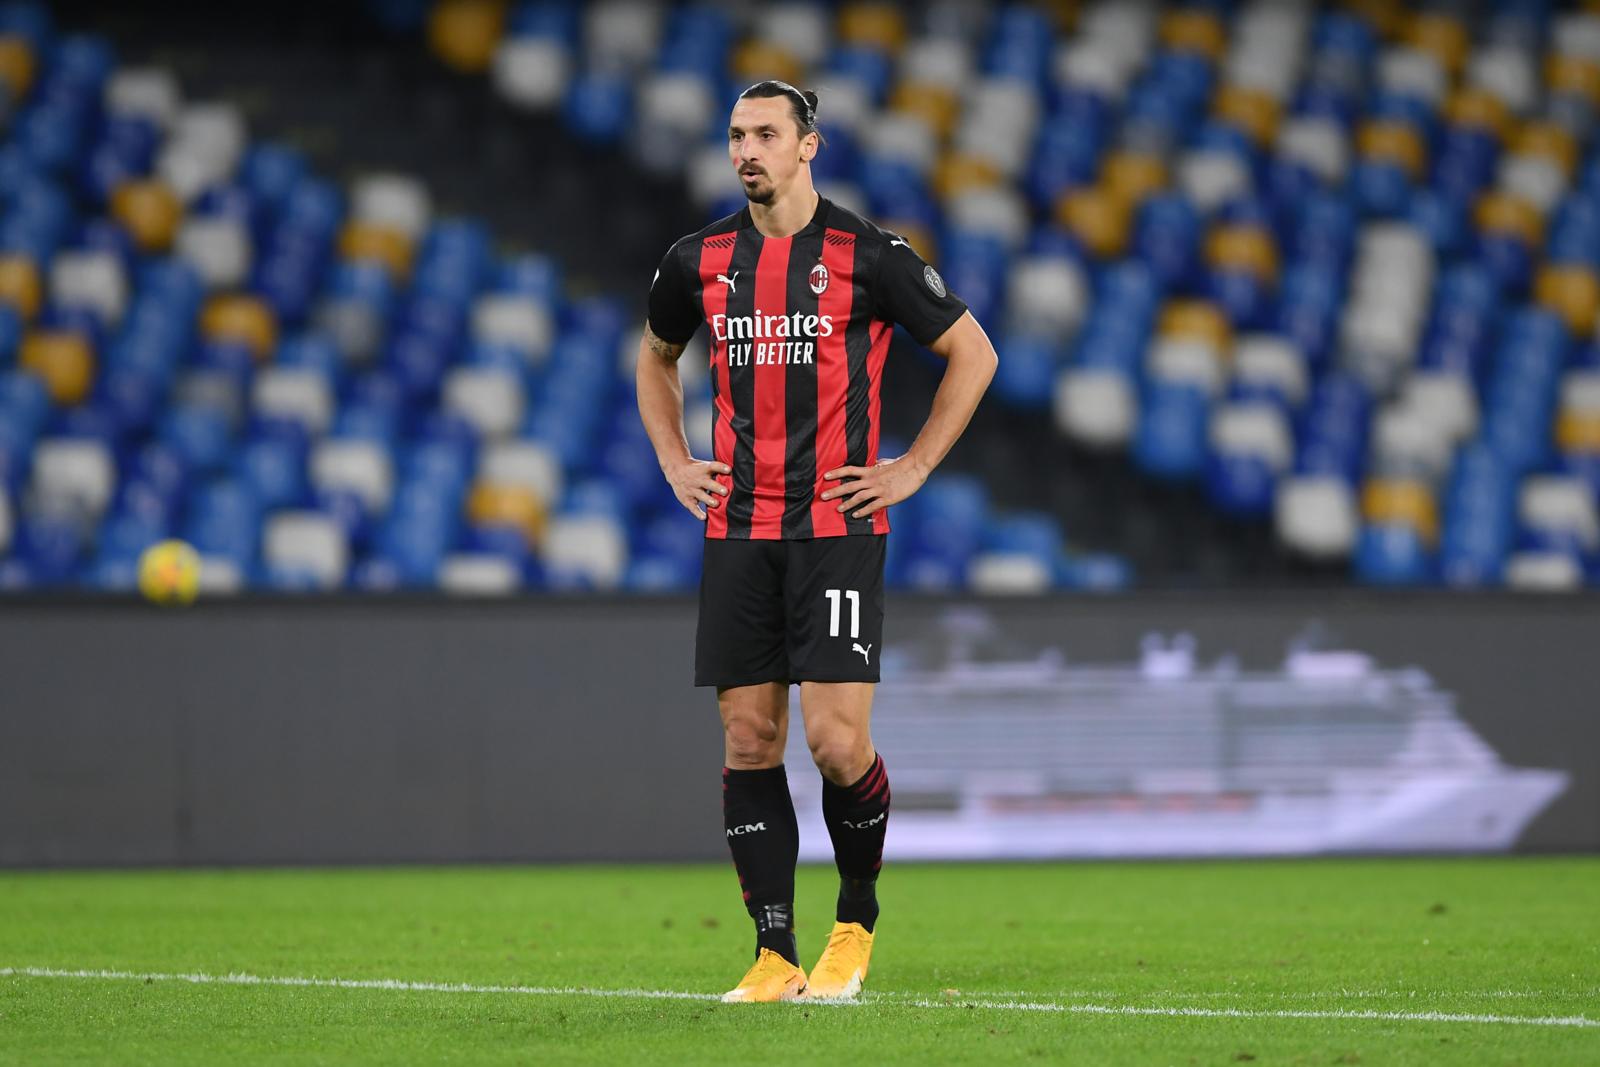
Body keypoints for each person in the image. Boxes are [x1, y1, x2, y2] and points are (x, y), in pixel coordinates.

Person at [634, 80, 997, 1003]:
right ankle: (774, 955)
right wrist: (675, 461)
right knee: (750, 738)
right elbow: (656, 355)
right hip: (739, 527)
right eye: (735, 135)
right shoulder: (697, 259)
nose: (746, 151)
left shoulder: (869, 255)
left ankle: (854, 924)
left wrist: (912, 466)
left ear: (808, 146)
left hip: (837, 526)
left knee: (836, 745)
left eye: (765, 133)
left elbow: (975, 352)